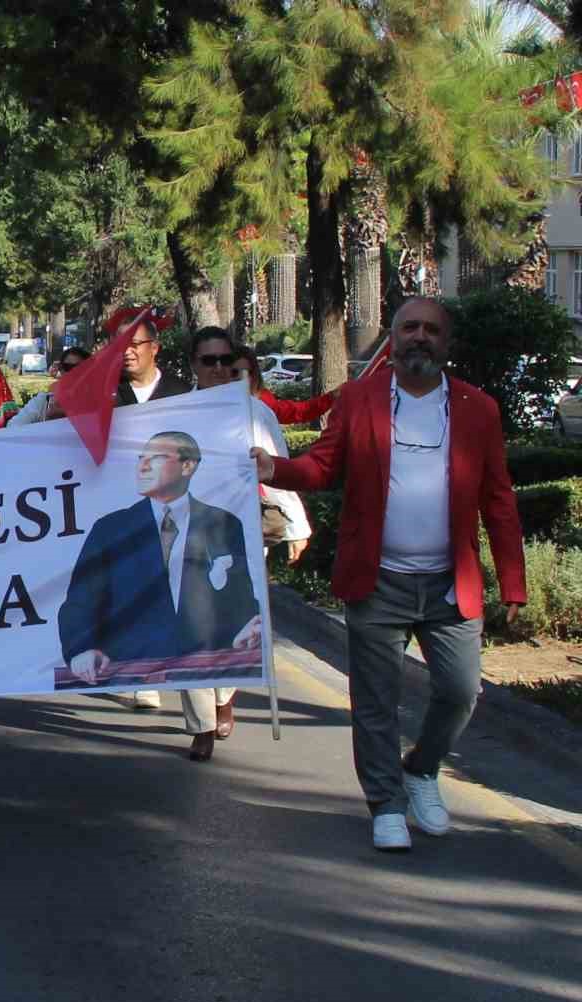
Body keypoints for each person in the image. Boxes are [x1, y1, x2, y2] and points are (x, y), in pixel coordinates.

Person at [254, 298, 525, 852]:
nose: (419, 337)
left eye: (431, 329)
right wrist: (276, 469)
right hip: (377, 580)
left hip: (451, 582)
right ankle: (385, 803)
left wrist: (513, 580)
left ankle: (421, 768)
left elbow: (498, 498)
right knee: (376, 700)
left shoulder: (479, 409)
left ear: (447, 343)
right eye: (409, 328)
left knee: (460, 690)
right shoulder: (360, 399)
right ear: (393, 338)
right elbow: (324, 466)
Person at [174, 329, 311, 761]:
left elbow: (278, 469)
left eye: (224, 360)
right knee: (189, 626)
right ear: (193, 365)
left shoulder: (254, 413)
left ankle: (224, 695)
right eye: (207, 361)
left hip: (242, 532)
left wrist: (298, 525)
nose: (217, 369)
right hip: (188, 534)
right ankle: (201, 725)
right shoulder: (173, 414)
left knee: (236, 619)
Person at [59, 429, 262, 696]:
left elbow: (239, 595)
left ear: (188, 465)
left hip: (201, 662)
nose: (142, 465)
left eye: (155, 458)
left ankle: (209, 726)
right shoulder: (111, 529)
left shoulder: (222, 523)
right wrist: (81, 648)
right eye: (141, 457)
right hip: (129, 666)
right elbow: (81, 600)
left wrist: (247, 625)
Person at [10, 346, 88, 427]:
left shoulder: (96, 405)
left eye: (78, 368)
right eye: (66, 367)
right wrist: (47, 423)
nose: (71, 372)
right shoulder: (43, 401)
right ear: (61, 370)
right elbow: (13, 427)